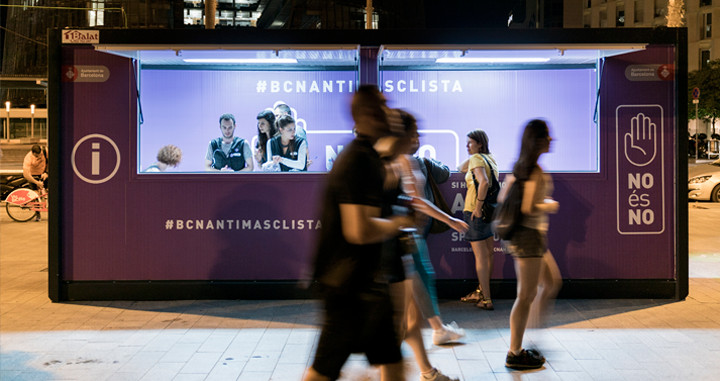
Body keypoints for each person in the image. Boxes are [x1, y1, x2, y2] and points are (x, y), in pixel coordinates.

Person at [305, 85, 412, 381]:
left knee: (392, 360)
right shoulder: (358, 160)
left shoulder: (367, 156)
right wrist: (399, 223)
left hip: (365, 283)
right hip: (350, 288)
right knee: (323, 371)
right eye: (383, 105)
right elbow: (359, 230)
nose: (390, 111)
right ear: (368, 114)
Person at [381, 109, 467, 381]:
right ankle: (428, 355)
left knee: (408, 315)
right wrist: (449, 220)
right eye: (414, 131)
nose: (418, 137)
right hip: (393, 247)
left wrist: (447, 219)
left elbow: (411, 201)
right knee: (400, 319)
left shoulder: (401, 161)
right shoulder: (389, 163)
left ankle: (427, 370)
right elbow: (408, 203)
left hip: (401, 244)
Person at [499, 119, 562, 370]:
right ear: (536, 141)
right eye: (546, 135)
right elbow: (527, 208)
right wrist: (549, 204)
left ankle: (530, 338)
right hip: (528, 237)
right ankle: (515, 352)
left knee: (551, 283)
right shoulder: (533, 170)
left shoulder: (520, 167)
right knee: (525, 296)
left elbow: (504, 197)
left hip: (529, 237)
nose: (551, 139)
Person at [459, 129, 498, 310]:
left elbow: (483, 182)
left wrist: (477, 207)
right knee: (488, 254)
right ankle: (481, 292)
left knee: (481, 257)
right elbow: (461, 168)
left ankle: (486, 299)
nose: (467, 146)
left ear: (480, 143)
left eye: (470, 143)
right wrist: (475, 153)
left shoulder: (477, 159)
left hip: (476, 211)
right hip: (489, 211)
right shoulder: (490, 159)